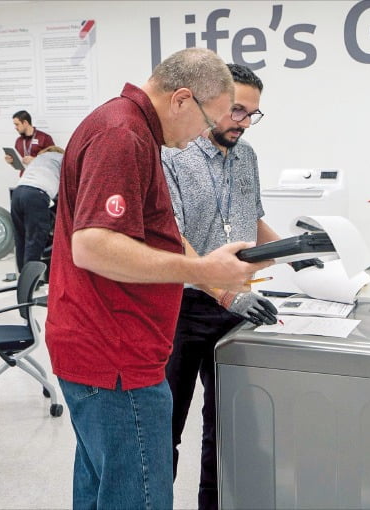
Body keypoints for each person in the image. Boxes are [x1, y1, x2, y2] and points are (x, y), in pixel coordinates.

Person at [44, 48, 272, 510]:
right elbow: (92, 245)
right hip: (116, 356)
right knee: (138, 493)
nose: (198, 138)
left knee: (102, 487)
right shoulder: (121, 135)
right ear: (183, 100)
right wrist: (203, 270)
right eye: (209, 120)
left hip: (110, 347)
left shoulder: (130, 130)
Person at [161, 63, 279, 510]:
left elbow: (253, 222)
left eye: (252, 114)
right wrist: (224, 290)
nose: (243, 123)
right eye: (235, 111)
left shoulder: (246, 156)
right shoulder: (173, 154)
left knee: (226, 429)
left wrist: (303, 252)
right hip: (181, 308)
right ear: (211, 101)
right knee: (164, 430)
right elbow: (173, 237)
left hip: (235, 309)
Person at [10, 145, 63, 272]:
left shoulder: (38, 159)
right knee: (35, 239)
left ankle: (23, 278)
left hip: (17, 193)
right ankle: (32, 280)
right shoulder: (62, 158)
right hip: (36, 195)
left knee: (21, 238)